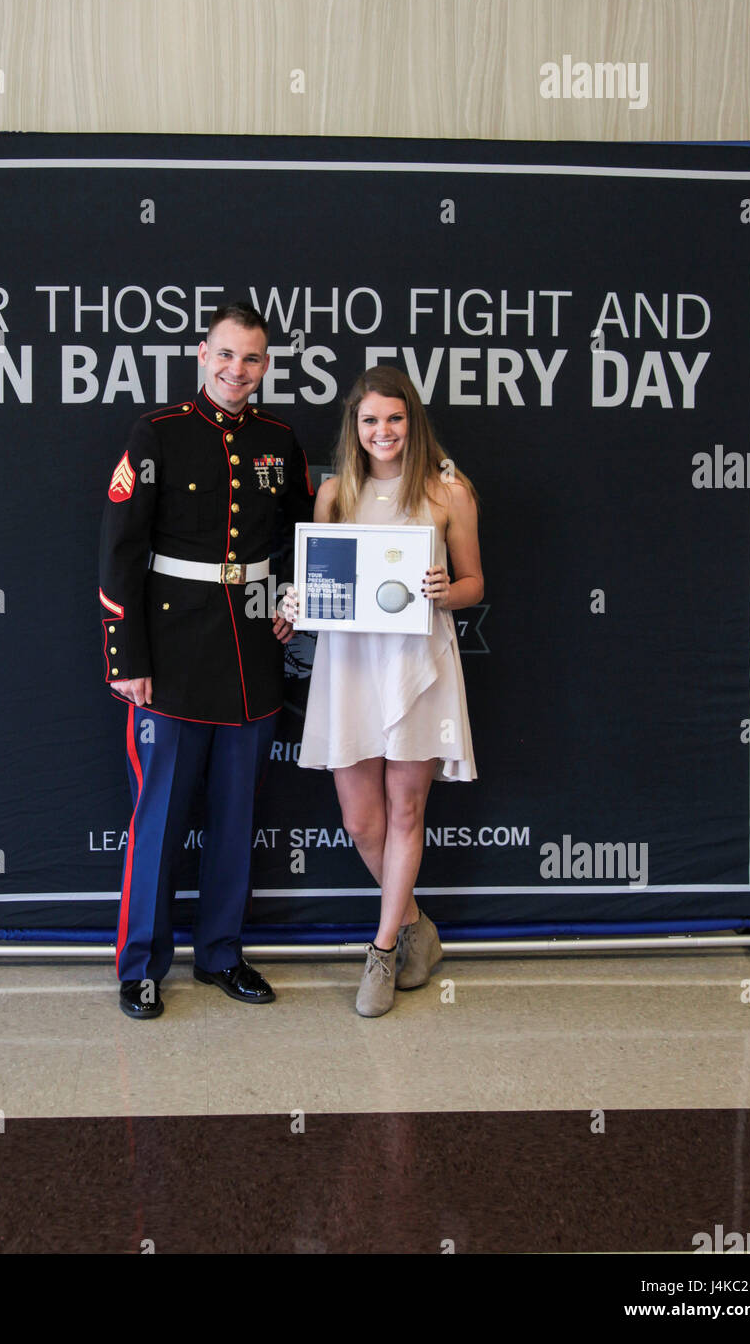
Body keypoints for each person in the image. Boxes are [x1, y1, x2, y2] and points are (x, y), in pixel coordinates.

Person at [99, 302, 315, 1019]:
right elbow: (121, 549)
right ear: (201, 353)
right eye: (225, 355)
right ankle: (139, 966)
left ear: (265, 365)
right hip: (168, 652)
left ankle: (221, 952)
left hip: (252, 650)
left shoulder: (279, 441)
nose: (237, 371)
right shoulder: (157, 432)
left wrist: (293, 601)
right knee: (157, 817)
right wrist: (125, 655)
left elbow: (303, 538)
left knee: (234, 814)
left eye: (251, 358)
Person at [283, 366, 483, 1017]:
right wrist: (295, 602)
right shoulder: (334, 494)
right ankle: (416, 929)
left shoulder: (447, 493)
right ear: (355, 428)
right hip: (349, 669)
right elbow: (321, 589)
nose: (382, 431)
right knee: (359, 820)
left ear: (411, 422)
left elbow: (473, 585)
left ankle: (379, 952)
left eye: (393, 419)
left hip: (415, 666)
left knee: (403, 812)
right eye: (370, 420)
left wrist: (442, 592)